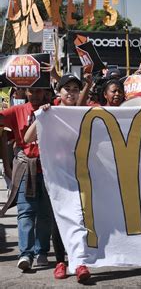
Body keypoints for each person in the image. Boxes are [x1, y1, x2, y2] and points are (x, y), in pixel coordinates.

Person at [24, 74, 91, 282]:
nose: (71, 92)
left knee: (79, 219)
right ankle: (60, 262)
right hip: (55, 177)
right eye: (67, 88)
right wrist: (41, 117)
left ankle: (79, 262)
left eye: (75, 89)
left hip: (79, 175)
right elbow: (27, 139)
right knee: (58, 220)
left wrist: (88, 84)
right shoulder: (48, 112)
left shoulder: (81, 113)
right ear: (58, 92)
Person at [0, 87, 52, 272]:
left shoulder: (52, 108)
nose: (36, 95)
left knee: (46, 214)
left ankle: (42, 251)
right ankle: (26, 254)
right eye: (32, 91)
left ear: (46, 92)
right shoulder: (16, 111)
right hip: (25, 168)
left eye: (40, 91)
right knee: (26, 212)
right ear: (25, 92)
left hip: (49, 170)